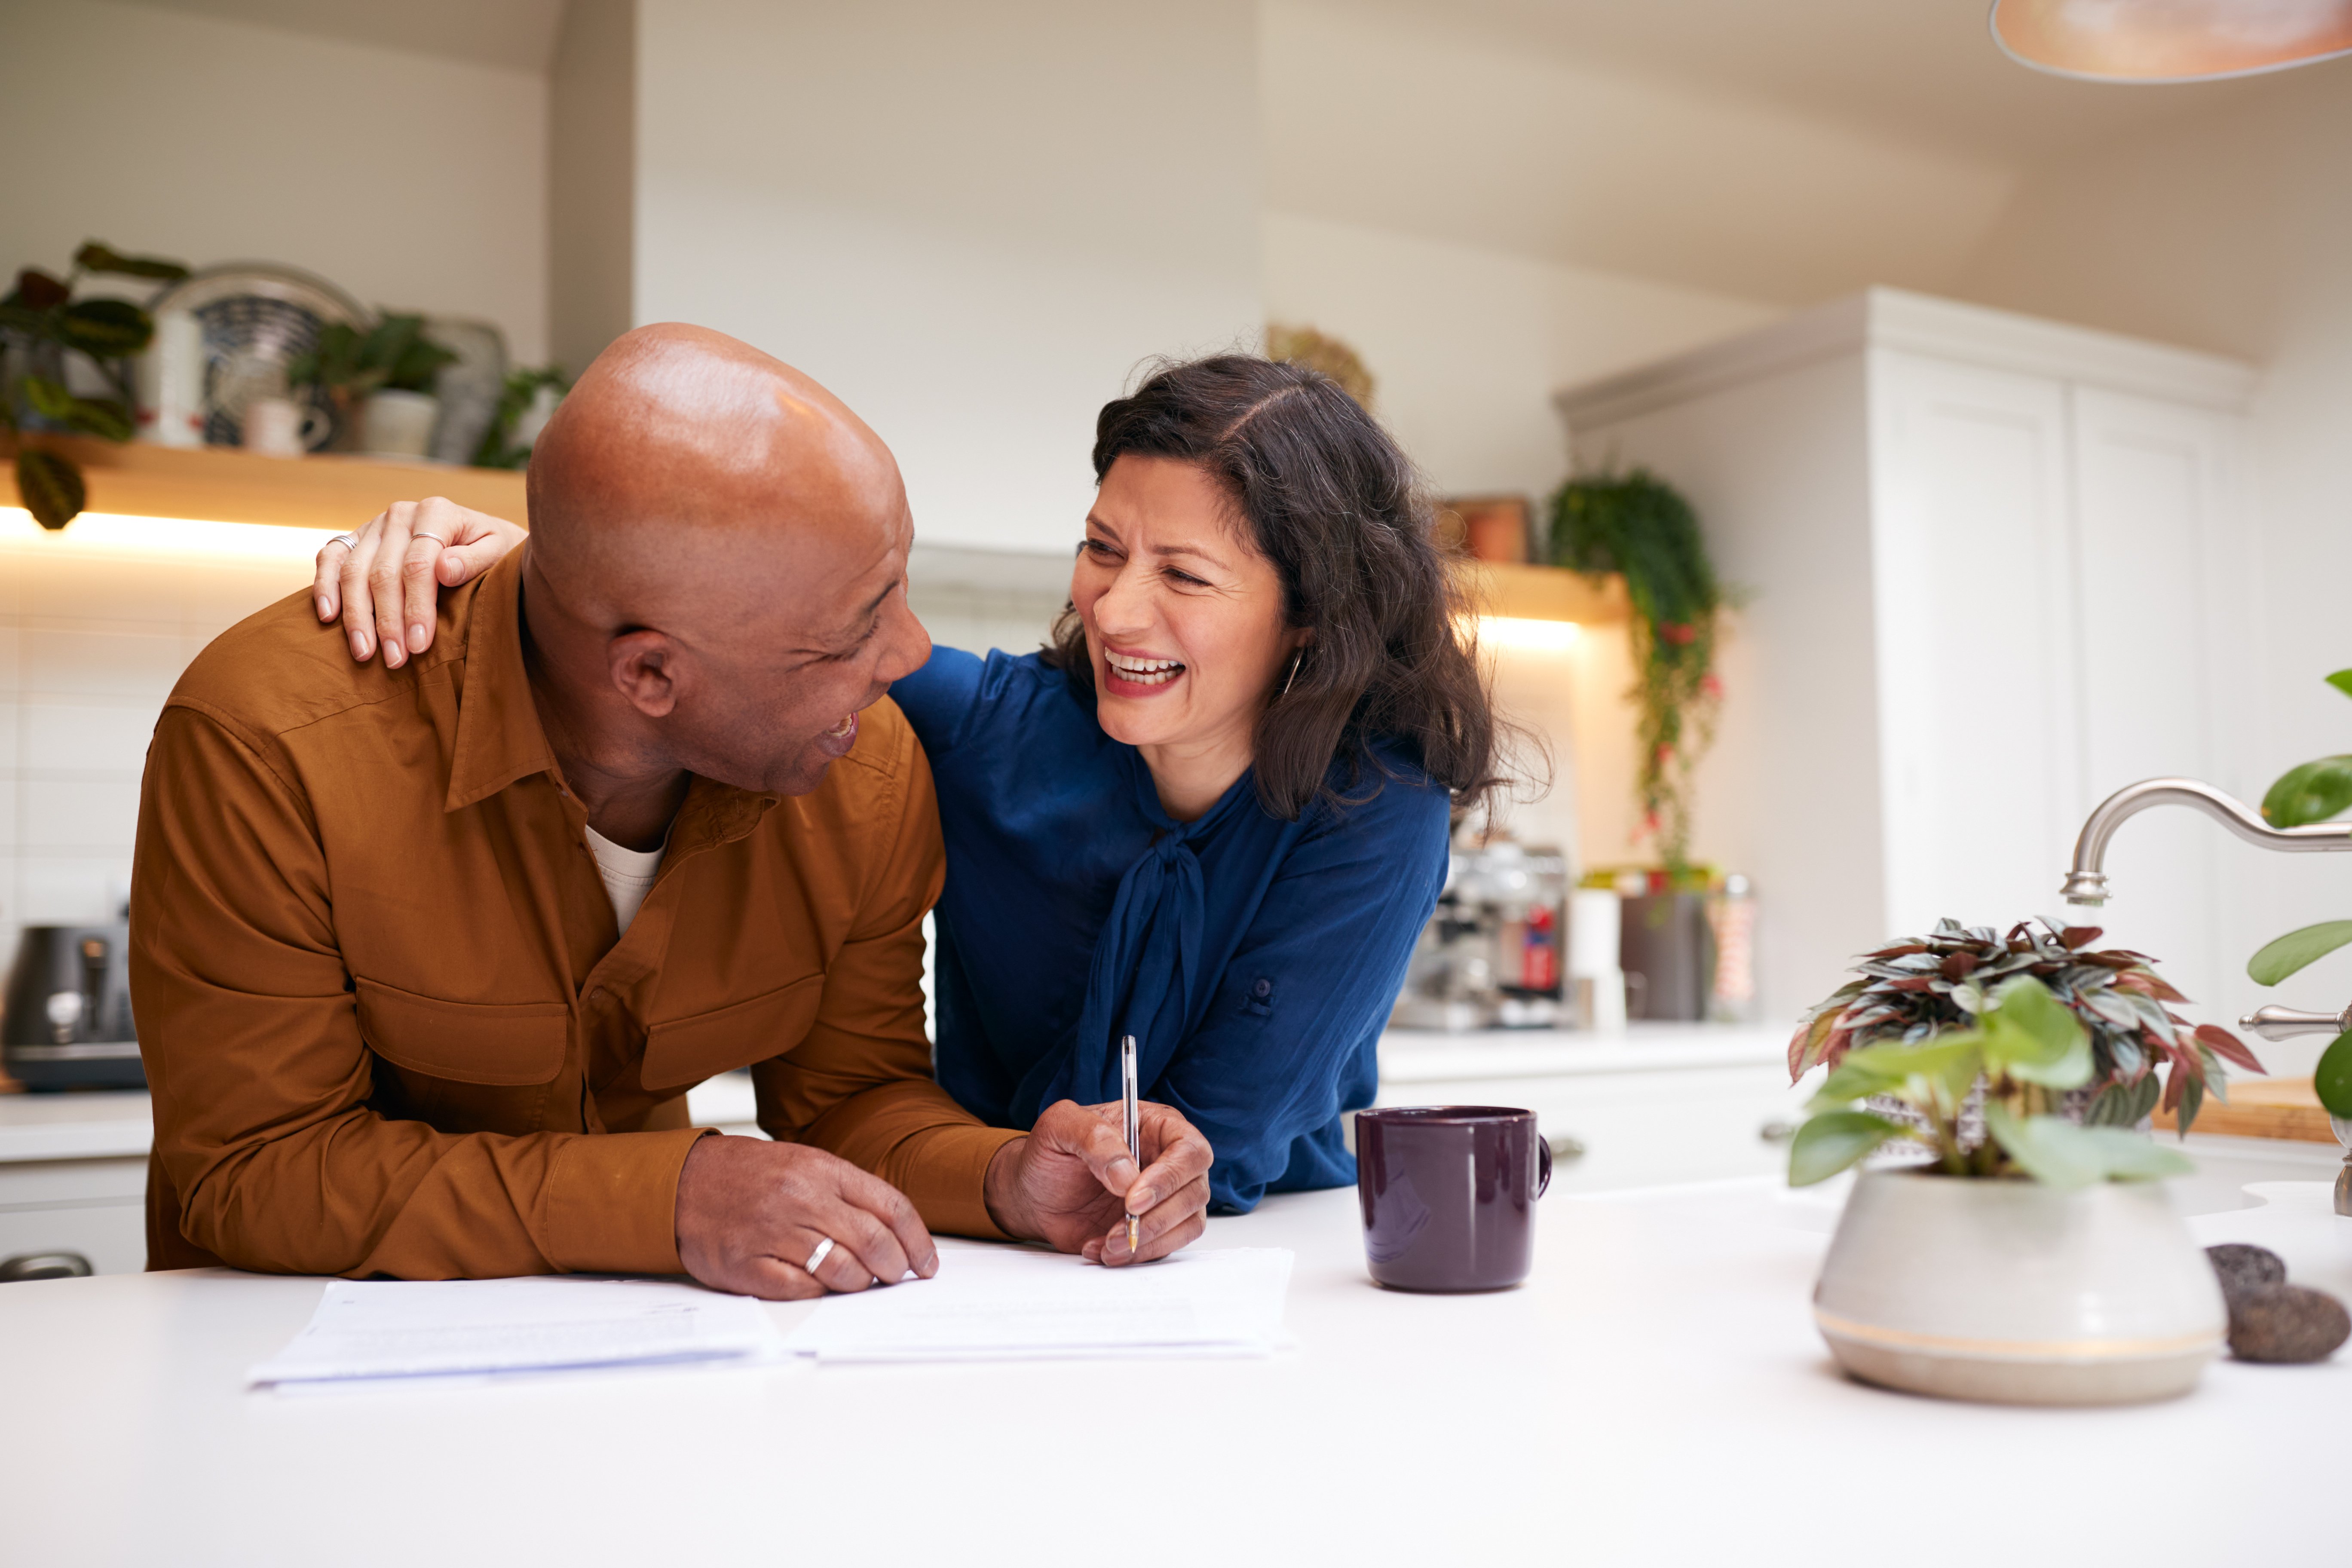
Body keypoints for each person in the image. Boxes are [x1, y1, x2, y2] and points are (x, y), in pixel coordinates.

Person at [131, 324, 1213, 1297]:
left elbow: (850, 1099)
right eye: (849, 634)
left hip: (638, 1369)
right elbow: (255, 1169)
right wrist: (671, 1199)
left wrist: (1007, 1176)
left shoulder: (861, 766)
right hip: (280, 1367)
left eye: (897, 587)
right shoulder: (270, 742)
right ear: (650, 676)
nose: (910, 656)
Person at [319, 355, 1514, 1213]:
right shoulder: (995, 730)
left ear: (1312, 618)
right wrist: (529, 565)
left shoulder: (1376, 807)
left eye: (1184, 576)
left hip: (1251, 1264)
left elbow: (1221, 1149)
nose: (1116, 607)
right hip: (987, 1228)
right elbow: (752, 639)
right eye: (1103, 549)